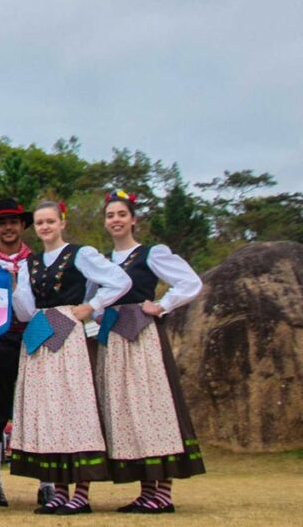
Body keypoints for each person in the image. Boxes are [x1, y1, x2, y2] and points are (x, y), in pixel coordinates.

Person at [10, 200, 131, 515]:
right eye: (40, 223)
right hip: (39, 330)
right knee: (47, 410)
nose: (45, 227)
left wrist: (92, 306)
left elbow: (120, 281)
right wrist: (13, 287)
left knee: (73, 406)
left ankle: (81, 492)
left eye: (50, 221)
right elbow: (24, 309)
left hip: (69, 333)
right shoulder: (29, 264)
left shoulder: (81, 254)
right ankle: (59, 491)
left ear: (62, 222)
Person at [99, 190, 205, 513]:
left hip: (143, 335)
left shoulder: (150, 254)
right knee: (128, 410)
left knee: (152, 405)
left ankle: (163, 492)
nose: (115, 220)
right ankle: (147, 491)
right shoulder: (104, 261)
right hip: (115, 336)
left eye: (121, 214)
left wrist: (162, 305)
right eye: (110, 215)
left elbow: (190, 282)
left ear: (133, 219)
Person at [0, 198, 55, 508]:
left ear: (23, 225)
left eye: (13, 222)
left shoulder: (39, 262)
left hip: (35, 339)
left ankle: (47, 482)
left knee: (41, 408)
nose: (8, 227)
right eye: (2, 222)